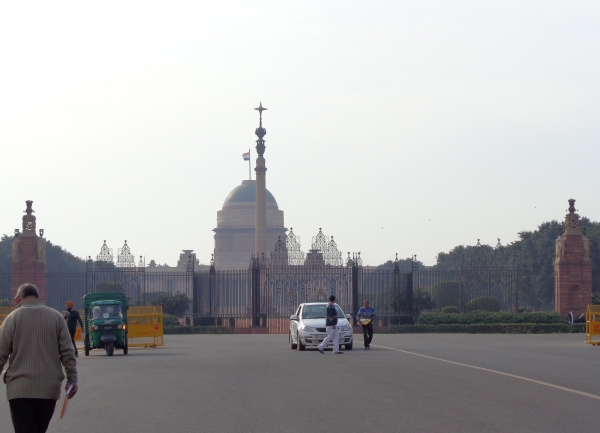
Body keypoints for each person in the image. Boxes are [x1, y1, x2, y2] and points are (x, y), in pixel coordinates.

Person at [0, 283, 78, 433]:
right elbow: (68, 351)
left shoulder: (12, 318)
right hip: (48, 389)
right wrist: (72, 379)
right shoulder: (56, 317)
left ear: (17, 300)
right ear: (39, 298)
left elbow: (1, 353)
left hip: (19, 389)